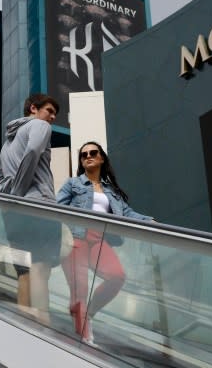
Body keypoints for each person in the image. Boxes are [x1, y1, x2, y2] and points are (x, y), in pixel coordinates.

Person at [57, 141, 153, 343]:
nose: (88, 156)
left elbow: (127, 213)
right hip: (77, 236)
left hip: (99, 238)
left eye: (93, 153)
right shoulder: (73, 184)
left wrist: (148, 220)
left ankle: (86, 313)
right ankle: (86, 339)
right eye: (84, 155)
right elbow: (58, 207)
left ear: (101, 158)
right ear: (81, 162)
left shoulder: (111, 191)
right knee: (80, 288)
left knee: (117, 276)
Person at [0, 93, 60, 324]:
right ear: (33, 108)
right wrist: (20, 192)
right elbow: (33, 152)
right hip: (38, 206)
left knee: (24, 272)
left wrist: (10, 203)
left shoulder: (6, 144)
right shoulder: (40, 126)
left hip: (13, 213)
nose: (52, 117)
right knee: (41, 269)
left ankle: (21, 326)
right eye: (49, 110)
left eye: (54, 114)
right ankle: (44, 329)